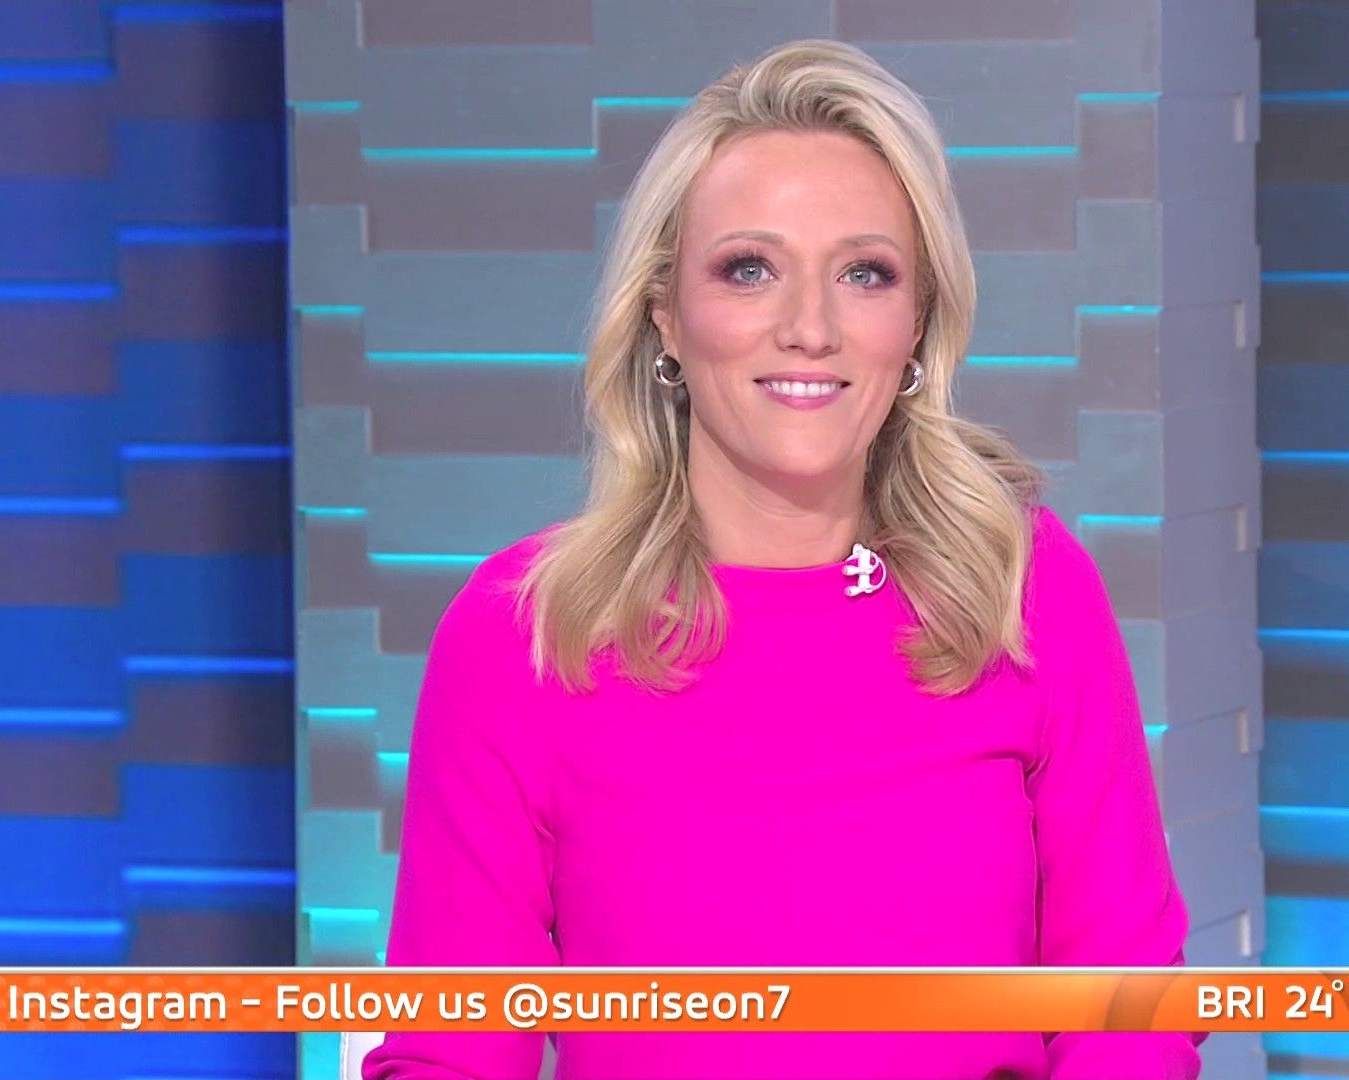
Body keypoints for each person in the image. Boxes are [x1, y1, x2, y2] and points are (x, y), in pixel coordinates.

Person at [363, 37, 1204, 1080]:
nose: (811, 327)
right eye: (749, 269)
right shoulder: (522, 634)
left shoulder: (1021, 585)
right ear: (666, 316)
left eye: (864, 274)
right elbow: (448, 1050)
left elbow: (1128, 1009)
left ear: (916, 323)